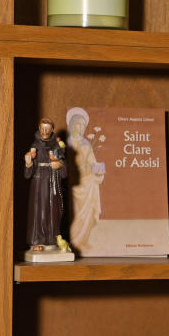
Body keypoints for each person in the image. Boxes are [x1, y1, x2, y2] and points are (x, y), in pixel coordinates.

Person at [24, 117, 67, 250]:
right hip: (38, 183)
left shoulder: (57, 145)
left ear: (52, 130)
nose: (44, 131)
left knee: (52, 211)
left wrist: (59, 165)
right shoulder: (35, 146)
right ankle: (37, 241)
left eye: (47, 129)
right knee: (39, 211)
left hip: (52, 182)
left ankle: (51, 240)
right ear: (39, 129)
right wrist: (29, 162)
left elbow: (65, 170)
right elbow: (27, 174)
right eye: (42, 128)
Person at [66, 107, 105, 251]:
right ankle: (75, 241)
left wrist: (99, 172)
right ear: (72, 124)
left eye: (83, 125)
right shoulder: (66, 143)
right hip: (74, 183)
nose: (81, 127)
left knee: (89, 208)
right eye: (78, 124)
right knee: (75, 212)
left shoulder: (86, 143)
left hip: (88, 181)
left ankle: (82, 239)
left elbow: (94, 162)